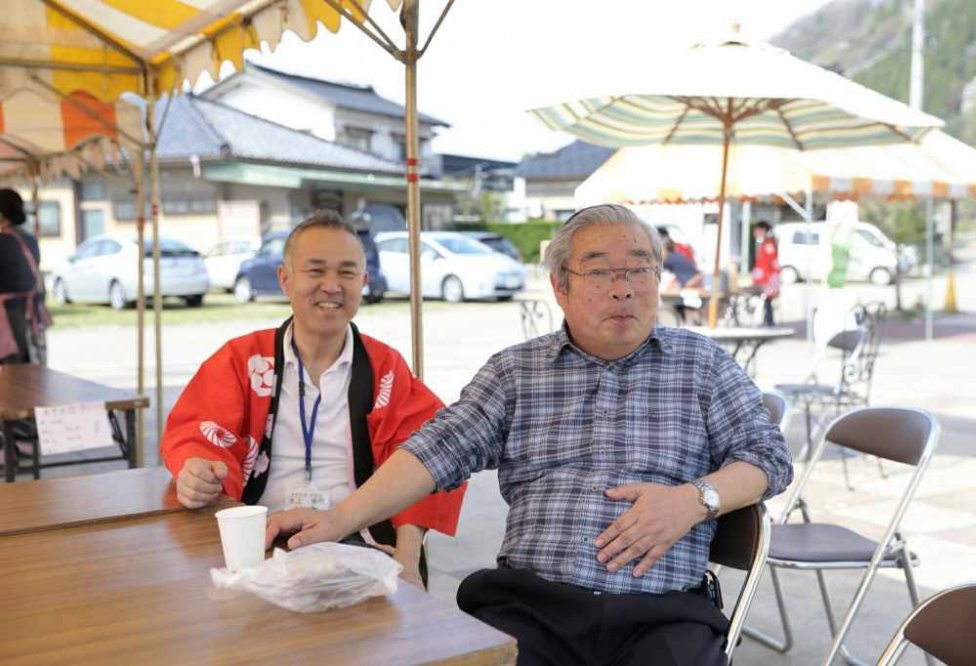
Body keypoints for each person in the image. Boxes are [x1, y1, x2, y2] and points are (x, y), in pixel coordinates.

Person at [266, 204, 793, 664]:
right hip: (533, 606)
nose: (624, 287)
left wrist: (693, 500)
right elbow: (437, 449)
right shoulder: (516, 372)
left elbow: (770, 457)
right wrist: (339, 518)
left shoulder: (703, 365)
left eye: (641, 269)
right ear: (560, 285)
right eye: (601, 272)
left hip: (665, 612)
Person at [160, 211, 466, 588]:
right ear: (285, 280)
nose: (332, 285)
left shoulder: (384, 368)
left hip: (359, 540)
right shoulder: (242, 360)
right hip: (262, 541)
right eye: (316, 271)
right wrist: (196, 473)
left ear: (364, 282)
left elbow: (430, 458)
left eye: (347, 273)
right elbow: (197, 434)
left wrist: (407, 555)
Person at [0, 189, 48, 365]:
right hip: (30, 313)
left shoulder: (3, 241)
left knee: (11, 374)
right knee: (30, 370)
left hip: (8, 316)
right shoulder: (30, 239)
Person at [751, 220, 780, 326]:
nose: (755, 233)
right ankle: (768, 320)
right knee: (766, 300)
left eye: (757, 230)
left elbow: (769, 264)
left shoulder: (768, 245)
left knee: (767, 299)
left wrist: (766, 279)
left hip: (769, 278)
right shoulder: (764, 244)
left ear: (763, 230)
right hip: (766, 277)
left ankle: (769, 321)